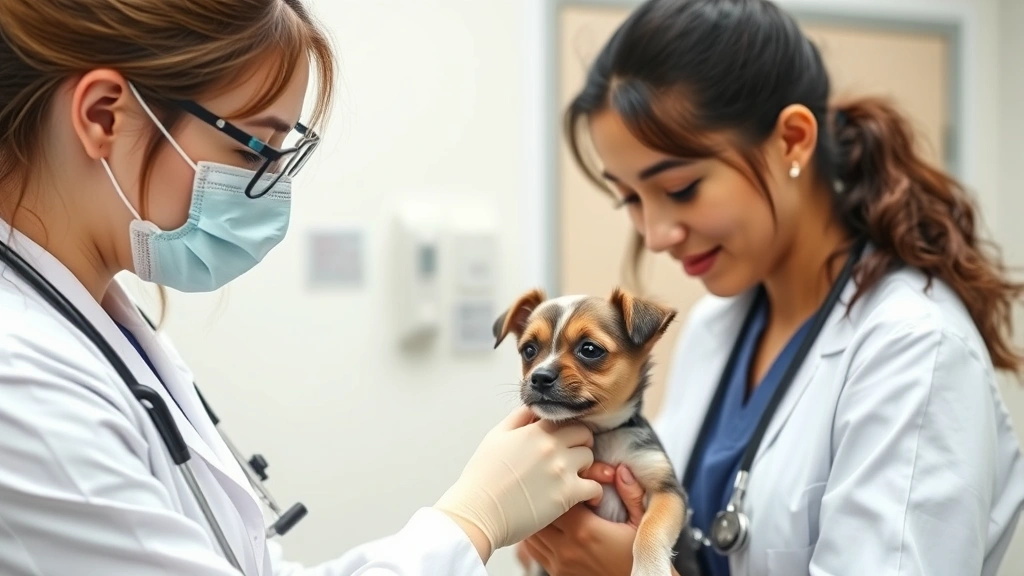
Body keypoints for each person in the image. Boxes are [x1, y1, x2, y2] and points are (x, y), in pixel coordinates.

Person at [0, 1, 605, 574]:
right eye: (251, 148)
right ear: (104, 114)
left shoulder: (102, 327)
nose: (266, 189)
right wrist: (471, 520)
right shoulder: (21, 382)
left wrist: (472, 514)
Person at [516, 0, 1024, 575]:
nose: (656, 235)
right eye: (631, 198)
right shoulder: (716, 326)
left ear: (793, 140)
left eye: (680, 188)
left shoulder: (914, 349)